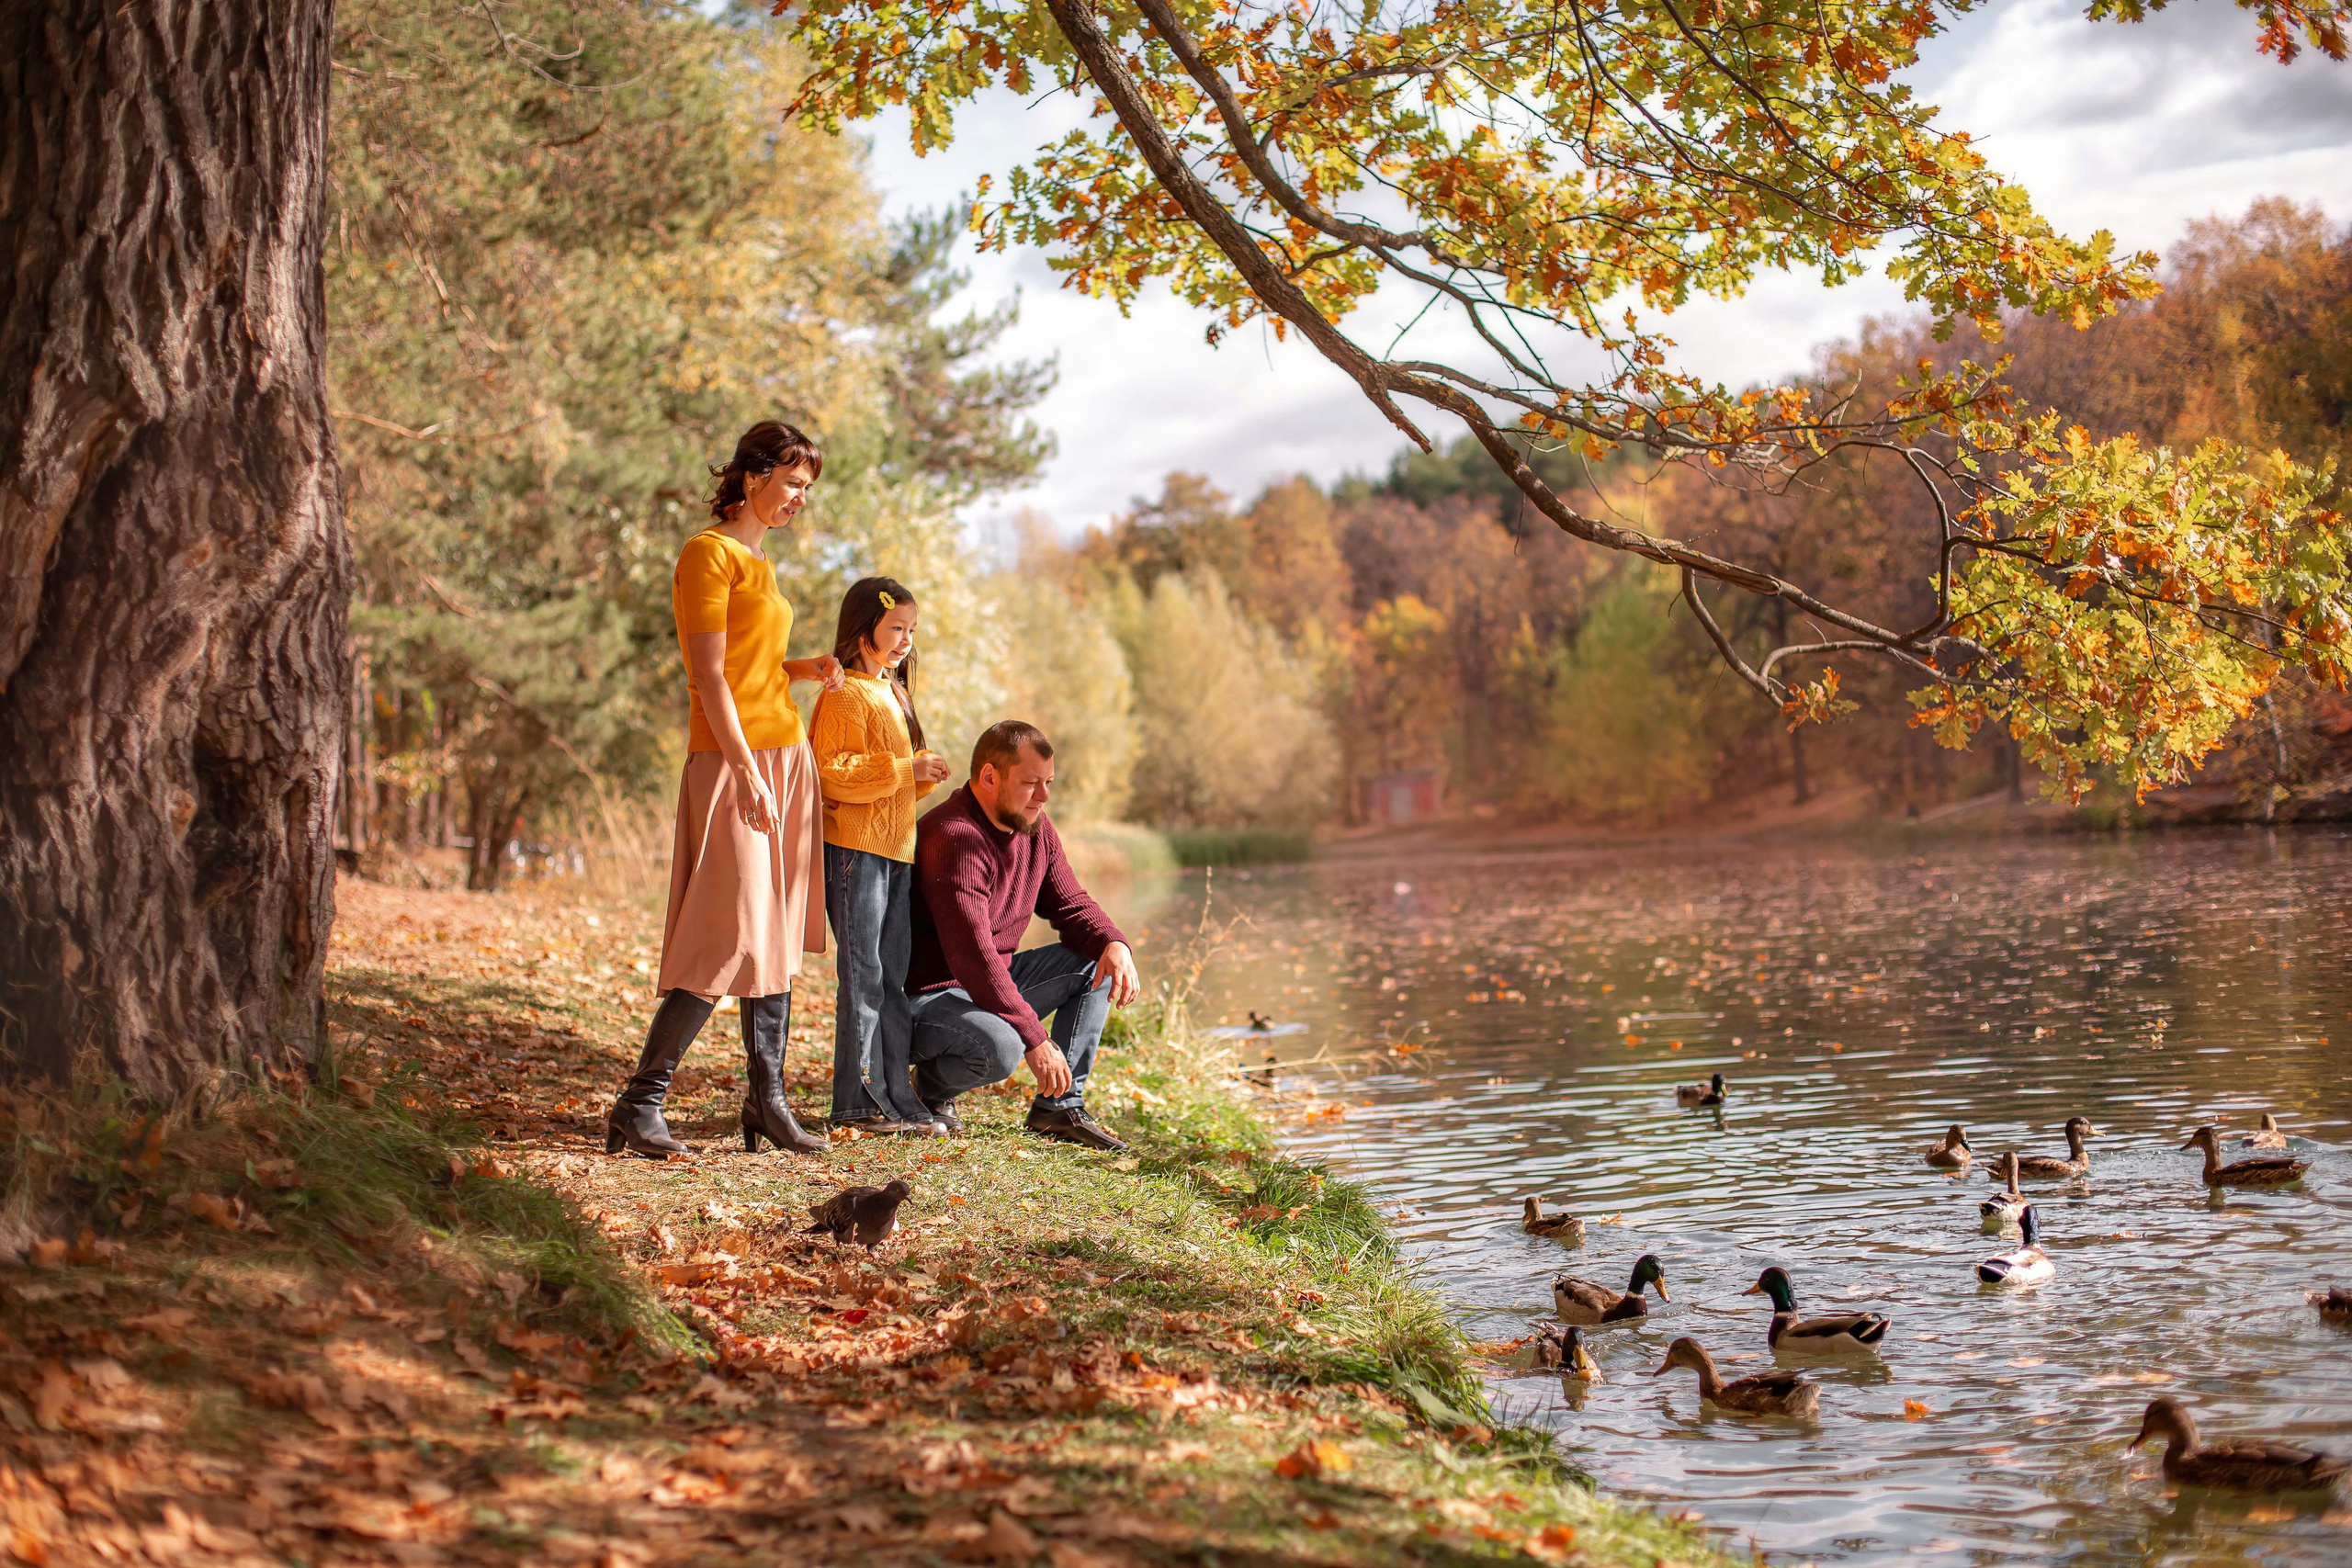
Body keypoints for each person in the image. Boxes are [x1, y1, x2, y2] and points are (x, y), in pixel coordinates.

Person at [605, 422, 842, 1159]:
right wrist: (743, 771)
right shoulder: (706, 555)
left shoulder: (759, 561)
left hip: (783, 752)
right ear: (754, 477)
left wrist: (803, 668)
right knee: (724, 932)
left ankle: (765, 1103)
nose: (801, 498)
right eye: (794, 482)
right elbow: (709, 677)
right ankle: (640, 1101)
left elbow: (751, 665)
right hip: (733, 761)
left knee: (770, 935)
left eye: (808, 488)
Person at [907, 720, 1141, 1150]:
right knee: (1003, 1047)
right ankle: (930, 1088)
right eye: (1031, 783)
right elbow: (972, 957)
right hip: (930, 996)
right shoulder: (954, 836)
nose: (1044, 796)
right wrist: (1035, 1038)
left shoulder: (1034, 827)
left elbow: (1070, 903)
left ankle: (1059, 1109)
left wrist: (1114, 942)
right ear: (990, 777)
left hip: (986, 983)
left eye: (1048, 782)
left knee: (1097, 961)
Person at [809, 576, 952, 1134]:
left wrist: (921, 776)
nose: (905, 641)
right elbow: (831, 774)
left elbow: (890, 782)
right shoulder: (842, 694)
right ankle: (856, 1101)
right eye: (897, 628)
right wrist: (902, 770)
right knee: (864, 976)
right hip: (853, 854)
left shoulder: (893, 692)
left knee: (893, 977)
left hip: (895, 853)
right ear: (863, 625)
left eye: (911, 631)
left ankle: (896, 1097)